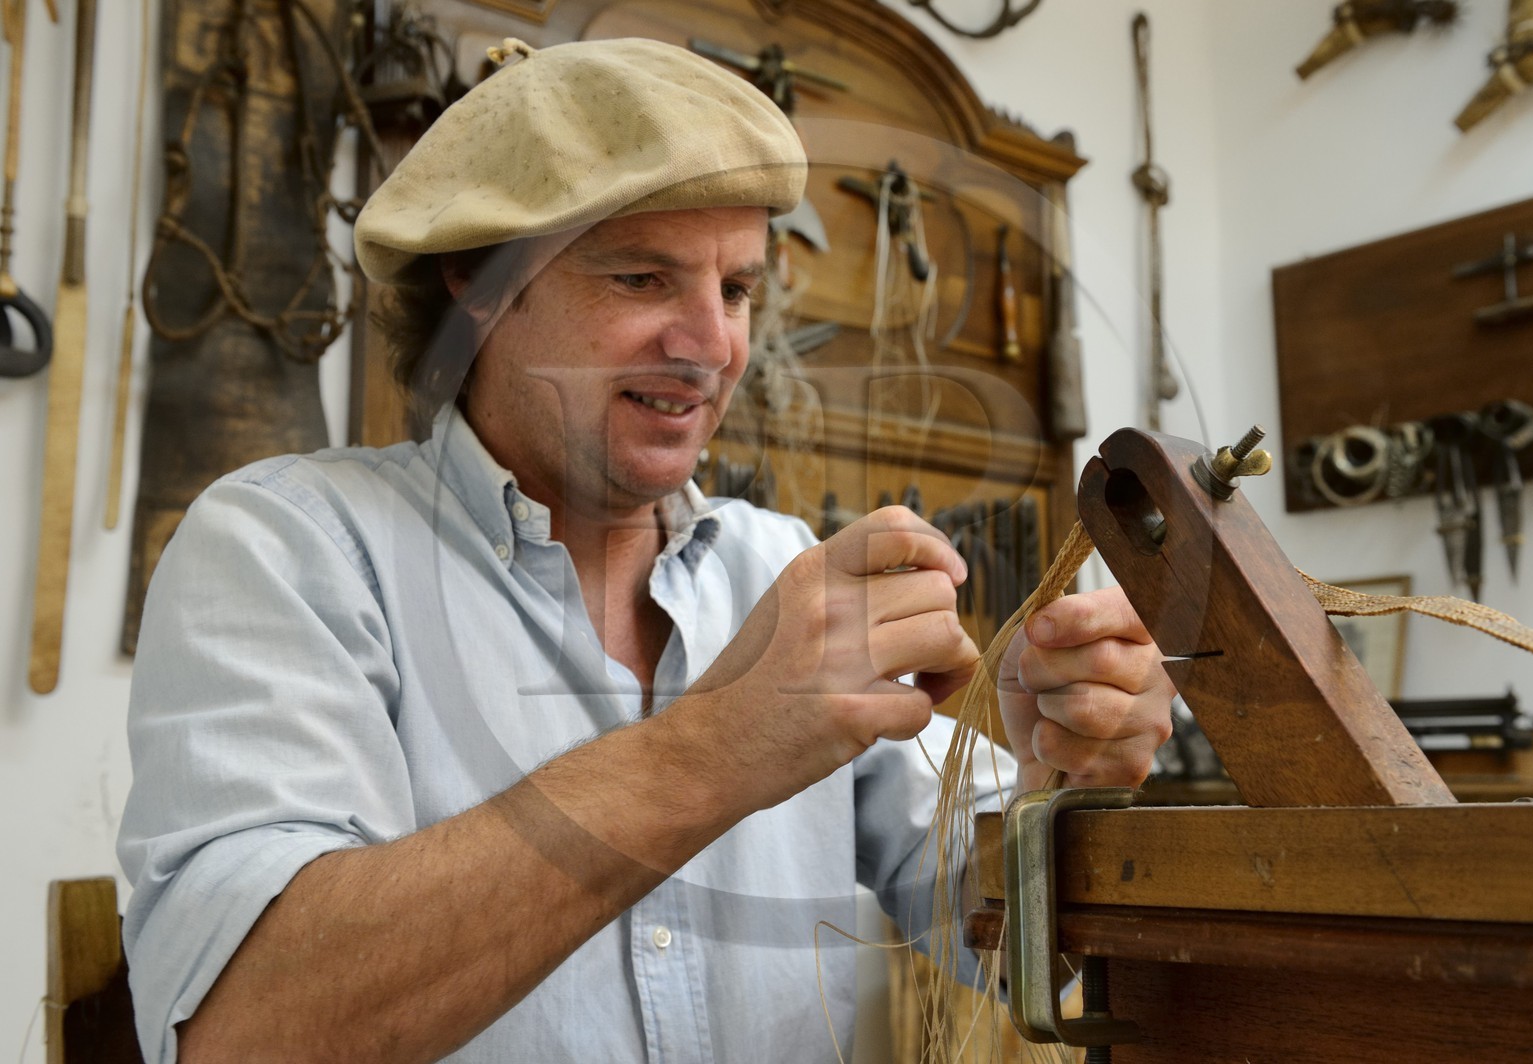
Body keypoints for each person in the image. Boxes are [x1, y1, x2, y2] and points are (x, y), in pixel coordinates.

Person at [117, 37, 1175, 1064]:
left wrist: (1063, 782)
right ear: (476, 280)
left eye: (736, 289)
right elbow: (246, 1033)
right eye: (639, 278)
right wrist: (720, 744)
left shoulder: (780, 567)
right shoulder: (292, 547)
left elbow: (1022, 950)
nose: (712, 346)